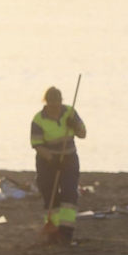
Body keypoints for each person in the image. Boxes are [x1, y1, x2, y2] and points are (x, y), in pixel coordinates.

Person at [31, 86, 86, 244]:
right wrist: (52, 160)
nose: (55, 107)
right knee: (50, 195)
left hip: (68, 158)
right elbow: (36, 144)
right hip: (47, 161)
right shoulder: (38, 119)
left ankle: (66, 232)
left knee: (69, 194)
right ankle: (52, 230)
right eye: (52, 104)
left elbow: (83, 134)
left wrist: (74, 126)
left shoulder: (70, 112)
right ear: (46, 102)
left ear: (61, 101)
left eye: (57, 104)